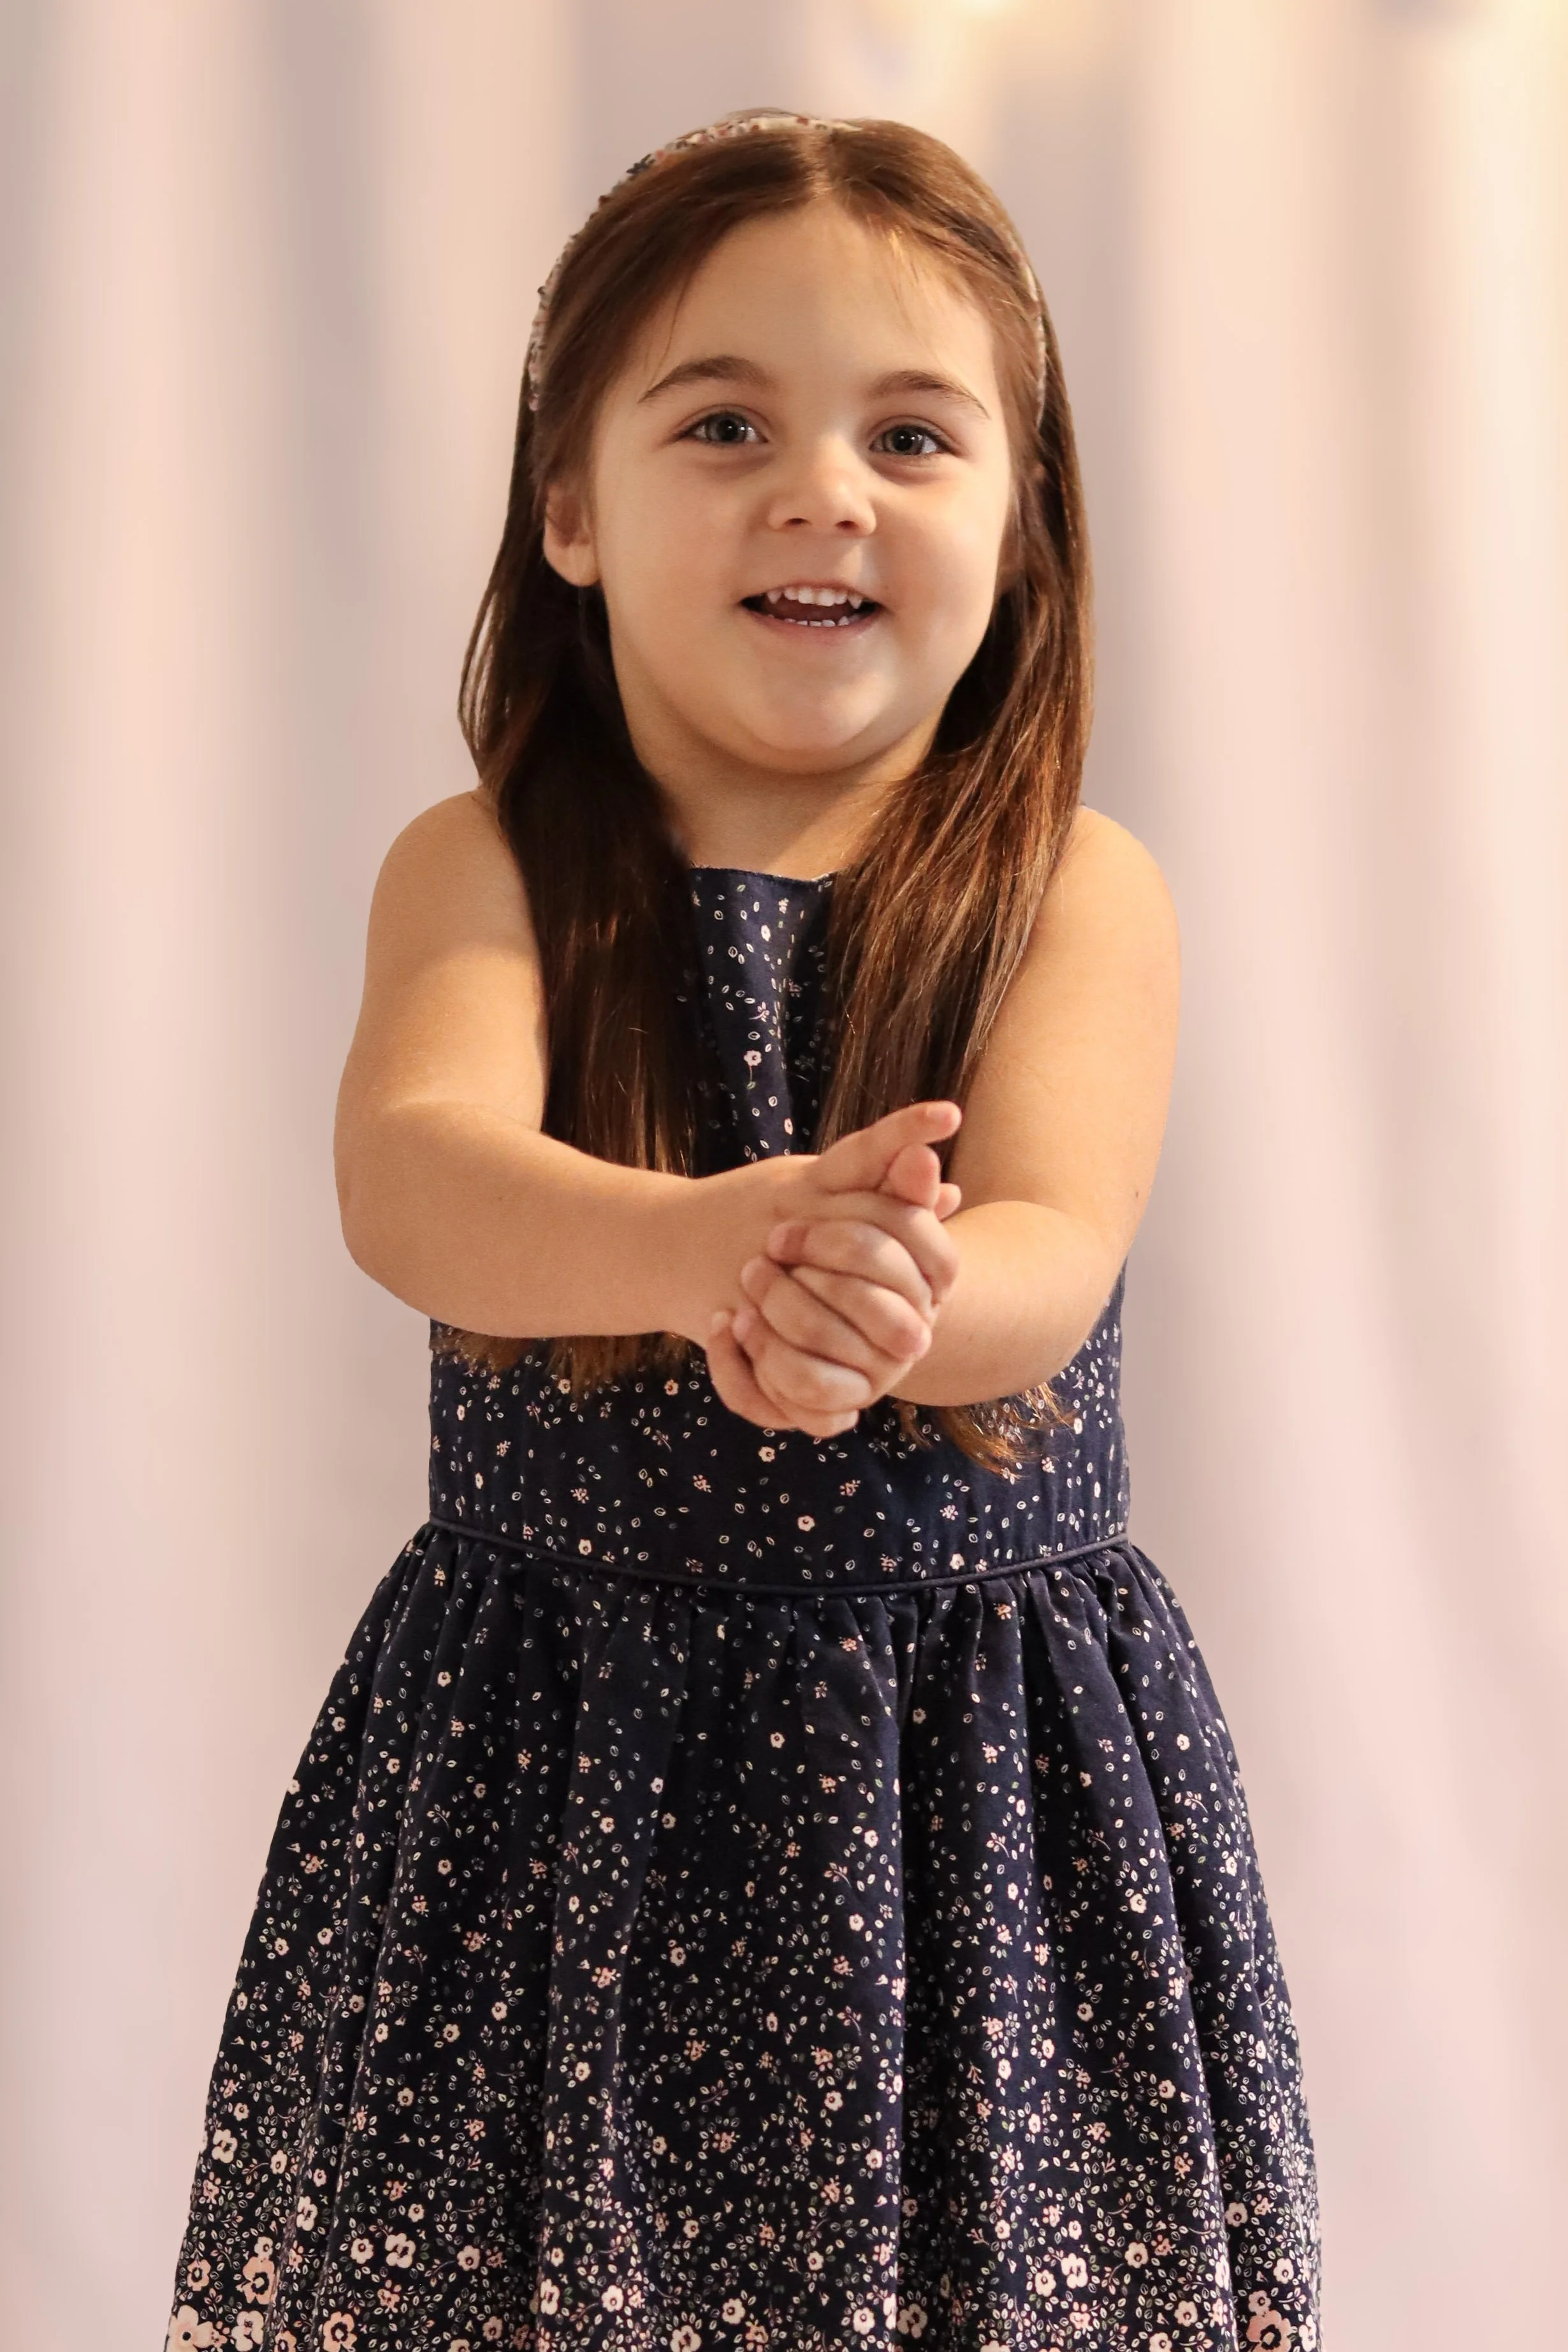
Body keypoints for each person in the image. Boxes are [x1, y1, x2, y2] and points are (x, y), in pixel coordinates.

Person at [165, 109, 1318, 2352]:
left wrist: (882, 1297)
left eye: (911, 431)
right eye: (725, 423)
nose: (824, 490)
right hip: (550, 1758)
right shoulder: (483, 865)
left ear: (1021, 522)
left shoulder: (1070, 887)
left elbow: (1049, 1253)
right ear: (573, 511)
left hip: (968, 1779)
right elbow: (414, 1178)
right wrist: (721, 1248)